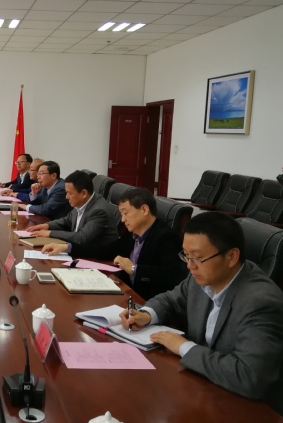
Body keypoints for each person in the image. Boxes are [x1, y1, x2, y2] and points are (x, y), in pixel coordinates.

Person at [121, 212, 283, 413]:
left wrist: (184, 347)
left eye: (197, 257)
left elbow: (248, 376)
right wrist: (146, 314)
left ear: (232, 256)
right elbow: (171, 299)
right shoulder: (202, 276)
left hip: (247, 408)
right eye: (186, 255)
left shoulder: (261, 303)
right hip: (204, 388)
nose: (190, 266)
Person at [45, 187, 185, 300]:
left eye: (126, 213)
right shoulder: (132, 233)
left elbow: (173, 276)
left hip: (146, 302)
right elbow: (105, 250)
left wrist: (134, 269)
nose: (122, 220)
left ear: (144, 210)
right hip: (125, 293)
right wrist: (67, 247)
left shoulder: (167, 238)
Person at [30, 169, 119, 246]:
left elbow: (82, 237)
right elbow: (68, 220)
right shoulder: (83, 202)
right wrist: (47, 225)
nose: (67, 197)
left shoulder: (99, 211)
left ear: (84, 193)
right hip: (79, 249)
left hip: (95, 257)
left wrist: (50, 233)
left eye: (70, 193)